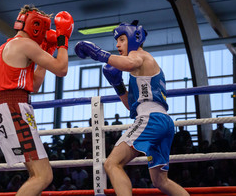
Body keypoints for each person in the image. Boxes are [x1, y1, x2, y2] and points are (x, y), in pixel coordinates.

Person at [75, 20, 189, 195]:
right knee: (160, 180)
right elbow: (132, 107)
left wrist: (99, 54)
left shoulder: (139, 56)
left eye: (121, 39)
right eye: (116, 41)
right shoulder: (140, 65)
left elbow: (128, 63)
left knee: (112, 163)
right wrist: (118, 85)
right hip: (161, 120)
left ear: (134, 38)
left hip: (152, 119)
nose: (117, 44)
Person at [0, 4, 74, 196]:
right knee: (43, 176)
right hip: (14, 108)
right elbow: (62, 69)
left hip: (11, 106)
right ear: (37, 26)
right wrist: (63, 40)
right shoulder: (25, 45)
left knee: (35, 174)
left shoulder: (11, 45)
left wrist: (49, 50)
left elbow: (34, 86)